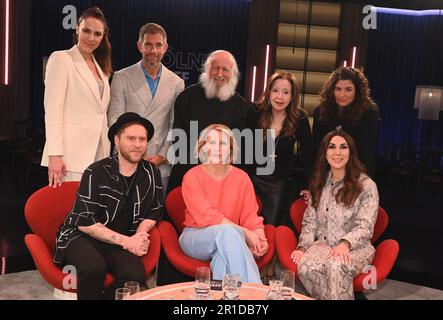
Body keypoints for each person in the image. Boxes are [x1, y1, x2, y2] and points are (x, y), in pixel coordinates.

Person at [53, 112, 163, 300]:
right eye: (131, 138)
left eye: (142, 139)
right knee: (94, 268)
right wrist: (128, 242)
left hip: (116, 240)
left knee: (135, 275)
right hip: (81, 235)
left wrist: (140, 234)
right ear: (117, 141)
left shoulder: (151, 172)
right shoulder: (96, 172)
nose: (137, 144)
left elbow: (155, 210)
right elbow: (85, 222)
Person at [290, 129, 379, 300]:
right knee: (306, 266)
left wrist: (345, 243)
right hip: (324, 244)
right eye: (332, 147)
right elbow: (310, 223)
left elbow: (365, 226)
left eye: (343, 147)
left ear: (350, 152)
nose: (337, 152)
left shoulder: (367, 185)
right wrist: (302, 247)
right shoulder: (319, 182)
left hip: (356, 248)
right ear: (325, 153)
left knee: (336, 266)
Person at [179, 124, 268, 283]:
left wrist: (260, 237)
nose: (217, 148)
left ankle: (224, 297)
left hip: (231, 239)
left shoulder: (242, 178)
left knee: (223, 258)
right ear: (203, 147)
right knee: (227, 232)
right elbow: (208, 215)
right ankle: (257, 293)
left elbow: (250, 215)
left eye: (223, 143)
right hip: (195, 237)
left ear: (231, 150)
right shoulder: (192, 176)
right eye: (211, 142)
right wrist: (247, 234)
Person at [246, 71, 313, 281]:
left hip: (279, 182)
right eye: (275, 90)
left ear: (293, 96)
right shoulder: (254, 112)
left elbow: (308, 155)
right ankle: (250, 263)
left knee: (272, 225)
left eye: (286, 92)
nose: (279, 97)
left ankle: (269, 264)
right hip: (253, 178)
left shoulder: (299, 118)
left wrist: (309, 185)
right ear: (268, 91)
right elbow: (244, 147)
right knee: (251, 223)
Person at [108, 23, 184, 196]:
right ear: (139, 46)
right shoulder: (121, 77)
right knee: (121, 215)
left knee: (154, 217)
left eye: (158, 45)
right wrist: (131, 151)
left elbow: (175, 124)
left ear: (165, 48)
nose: (153, 50)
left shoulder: (177, 83)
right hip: (126, 159)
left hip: (158, 162)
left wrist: (163, 156)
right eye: (148, 44)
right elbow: (114, 118)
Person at [41, 7, 113, 187]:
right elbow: (53, 111)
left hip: (99, 151)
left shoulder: (101, 68)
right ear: (77, 30)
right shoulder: (61, 59)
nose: (91, 38)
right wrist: (55, 154)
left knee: (91, 209)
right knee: (69, 209)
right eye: (86, 31)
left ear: (103, 36)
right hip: (70, 155)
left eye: (97, 34)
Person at [167, 50, 250, 193]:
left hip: (223, 181)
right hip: (187, 174)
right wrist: (199, 173)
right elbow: (179, 139)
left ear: (233, 74)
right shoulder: (186, 97)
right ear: (207, 70)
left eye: (225, 69)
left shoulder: (242, 106)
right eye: (215, 68)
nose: (219, 74)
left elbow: (239, 148)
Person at [312, 67, 379, 177]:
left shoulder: (369, 112)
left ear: (357, 91)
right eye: (338, 89)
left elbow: (365, 150)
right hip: (326, 172)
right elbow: (318, 150)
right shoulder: (320, 112)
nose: (342, 95)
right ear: (331, 90)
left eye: (348, 89)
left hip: (357, 171)